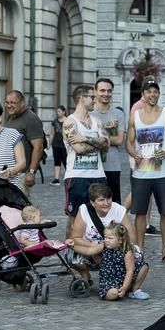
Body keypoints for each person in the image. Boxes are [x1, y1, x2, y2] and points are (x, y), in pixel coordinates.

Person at [126, 76, 165, 261]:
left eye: (155, 92)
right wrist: (133, 153)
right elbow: (128, 141)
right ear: (143, 95)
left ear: (158, 94)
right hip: (141, 173)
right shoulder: (135, 116)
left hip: (163, 173)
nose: (153, 95)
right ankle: (140, 250)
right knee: (140, 214)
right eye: (149, 92)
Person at [61, 84, 109, 230]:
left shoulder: (97, 122)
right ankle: (71, 251)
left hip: (98, 175)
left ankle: (93, 251)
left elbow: (107, 144)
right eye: (92, 97)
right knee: (74, 218)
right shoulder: (70, 122)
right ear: (82, 99)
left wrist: (85, 138)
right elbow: (79, 149)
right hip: (77, 177)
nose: (95, 100)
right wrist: (96, 142)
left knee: (99, 216)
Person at [69, 183, 136, 285]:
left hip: (114, 251)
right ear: (92, 202)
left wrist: (113, 248)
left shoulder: (118, 210)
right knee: (70, 253)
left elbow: (132, 238)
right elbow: (76, 237)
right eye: (101, 200)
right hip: (91, 251)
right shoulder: (84, 210)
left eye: (109, 198)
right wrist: (95, 248)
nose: (106, 203)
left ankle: (122, 280)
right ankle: (85, 275)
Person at [91, 78, 126, 204]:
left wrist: (97, 137)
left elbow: (120, 140)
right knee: (93, 205)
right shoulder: (89, 113)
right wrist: (106, 130)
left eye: (109, 91)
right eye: (102, 90)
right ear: (95, 92)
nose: (106, 94)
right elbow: (86, 139)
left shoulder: (118, 114)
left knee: (113, 204)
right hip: (93, 167)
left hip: (112, 166)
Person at [3, 90, 44, 195]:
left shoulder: (31, 118)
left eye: (13, 102)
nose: (9, 105)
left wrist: (31, 172)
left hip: (21, 174)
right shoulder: (11, 116)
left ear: (22, 103)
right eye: (7, 102)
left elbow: (38, 147)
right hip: (8, 172)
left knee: (18, 207)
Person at [99, 222, 150, 301]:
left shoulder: (127, 252)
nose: (106, 240)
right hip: (108, 281)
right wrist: (75, 246)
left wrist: (125, 287)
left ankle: (135, 290)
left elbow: (130, 270)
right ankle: (116, 291)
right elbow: (90, 250)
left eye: (110, 238)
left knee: (144, 267)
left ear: (120, 240)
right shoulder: (104, 246)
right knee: (114, 294)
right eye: (105, 237)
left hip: (123, 278)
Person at [49, 105, 67, 185]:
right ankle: (56, 179)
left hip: (65, 145)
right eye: (57, 111)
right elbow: (52, 133)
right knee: (57, 161)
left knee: (66, 161)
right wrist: (49, 144)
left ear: (64, 112)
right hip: (56, 144)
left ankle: (69, 177)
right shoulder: (54, 122)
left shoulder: (68, 120)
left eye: (59, 111)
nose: (58, 113)